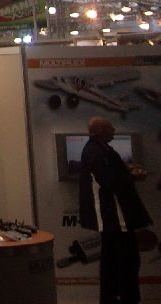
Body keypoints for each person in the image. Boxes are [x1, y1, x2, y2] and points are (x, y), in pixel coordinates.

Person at [79, 116, 153, 304]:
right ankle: (127, 298)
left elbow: (110, 174)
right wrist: (134, 176)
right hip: (115, 217)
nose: (114, 130)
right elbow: (109, 181)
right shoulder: (97, 152)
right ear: (100, 131)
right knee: (126, 261)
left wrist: (127, 170)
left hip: (112, 219)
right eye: (110, 127)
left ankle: (112, 298)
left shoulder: (99, 149)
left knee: (112, 261)